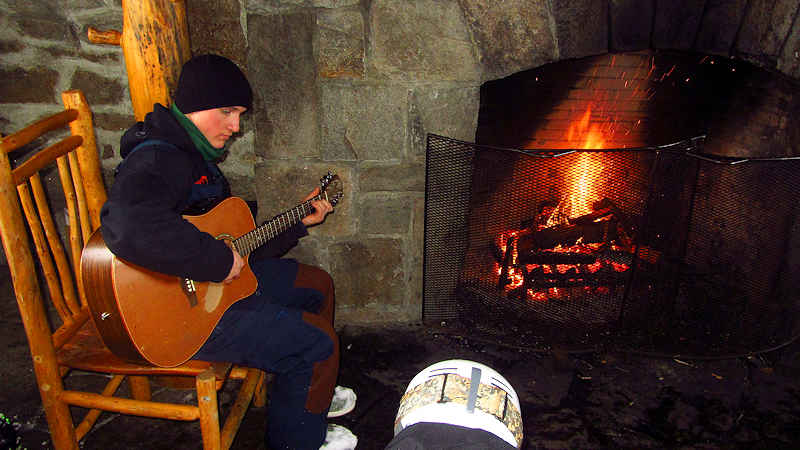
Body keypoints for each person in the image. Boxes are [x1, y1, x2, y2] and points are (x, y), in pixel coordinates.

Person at [99, 54, 356, 450]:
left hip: (208, 290)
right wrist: (216, 261)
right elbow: (126, 226)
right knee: (315, 342)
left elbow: (236, 246)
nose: (236, 127)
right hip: (181, 318)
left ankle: (310, 397)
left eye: (239, 114)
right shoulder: (159, 157)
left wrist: (297, 223)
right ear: (195, 105)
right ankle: (299, 438)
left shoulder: (191, 152)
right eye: (227, 112)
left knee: (316, 285)